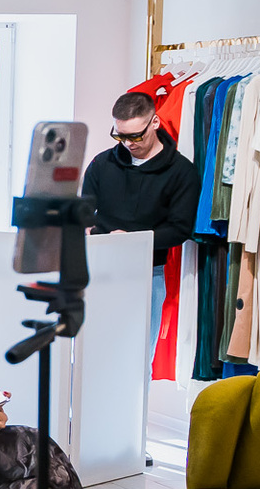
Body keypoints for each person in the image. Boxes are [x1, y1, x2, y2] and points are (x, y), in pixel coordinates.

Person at [82, 92, 200, 348]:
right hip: (100, 267)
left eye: (136, 136)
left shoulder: (182, 171)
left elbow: (180, 229)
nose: (128, 143)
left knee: (138, 354)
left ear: (154, 122)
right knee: (92, 350)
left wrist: (135, 240)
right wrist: (90, 230)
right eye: (120, 136)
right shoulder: (102, 164)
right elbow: (84, 212)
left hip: (147, 271)